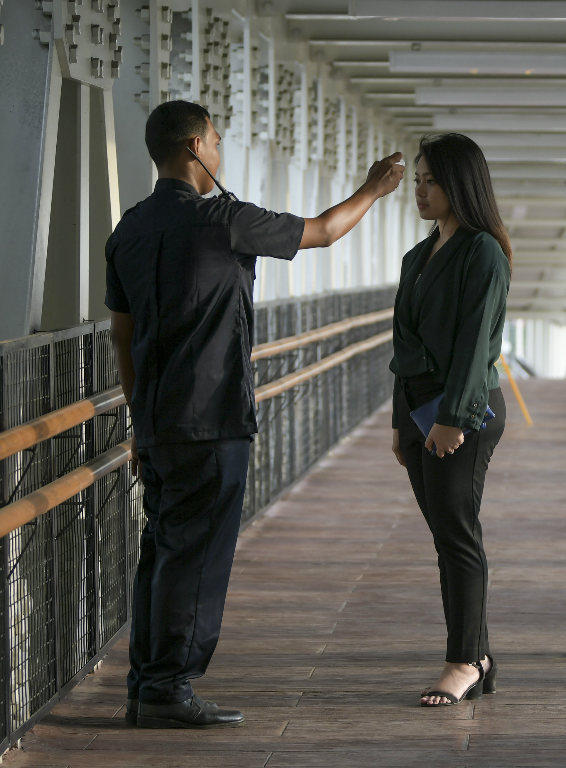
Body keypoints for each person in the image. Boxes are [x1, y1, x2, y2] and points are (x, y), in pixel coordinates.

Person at [105, 100, 403, 728]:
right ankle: (168, 689)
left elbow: (121, 335)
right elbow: (322, 230)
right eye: (215, 140)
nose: (221, 150)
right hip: (212, 417)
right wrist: (374, 188)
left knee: (161, 549)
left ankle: (146, 683)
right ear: (194, 146)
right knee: (197, 556)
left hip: (159, 420)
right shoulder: (224, 220)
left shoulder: (126, 230)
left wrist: (140, 419)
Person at [389, 134, 511, 707]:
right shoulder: (419, 256)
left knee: (458, 533)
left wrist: (453, 419)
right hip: (418, 412)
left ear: (459, 184)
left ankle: (464, 659)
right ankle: (476, 654)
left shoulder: (481, 252)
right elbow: (403, 346)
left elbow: (475, 345)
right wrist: (399, 422)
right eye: (417, 179)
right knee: (446, 536)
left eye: (430, 180)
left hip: (461, 411)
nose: (420, 190)